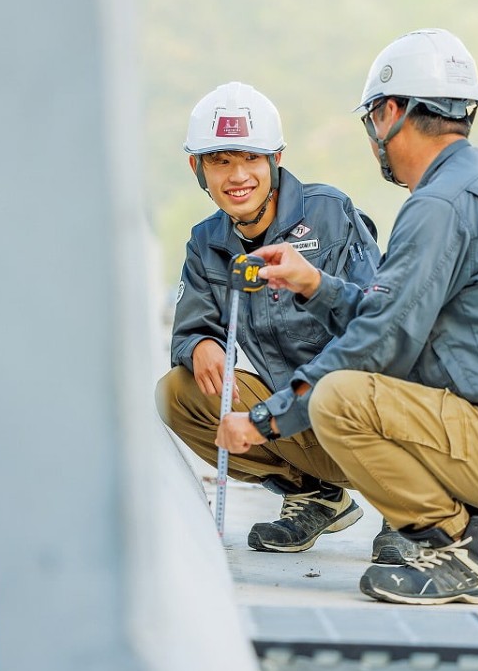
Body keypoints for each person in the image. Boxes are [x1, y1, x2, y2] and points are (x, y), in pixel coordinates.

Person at [218, 30, 478, 605]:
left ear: (391, 112)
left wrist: (267, 419)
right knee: (382, 377)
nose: (375, 137)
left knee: (340, 398)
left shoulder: (440, 204)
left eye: (374, 120)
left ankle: (460, 549)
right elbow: (394, 313)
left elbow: (382, 340)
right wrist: (316, 284)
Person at [156, 81, 417, 561]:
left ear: (276, 159)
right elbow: (191, 327)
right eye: (219, 161)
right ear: (197, 168)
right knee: (179, 392)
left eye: (251, 159)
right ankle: (316, 493)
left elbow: (381, 321)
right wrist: (198, 346)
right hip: (294, 415)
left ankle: (405, 509)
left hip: (359, 408)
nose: (237, 176)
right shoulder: (205, 244)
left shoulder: (329, 214)